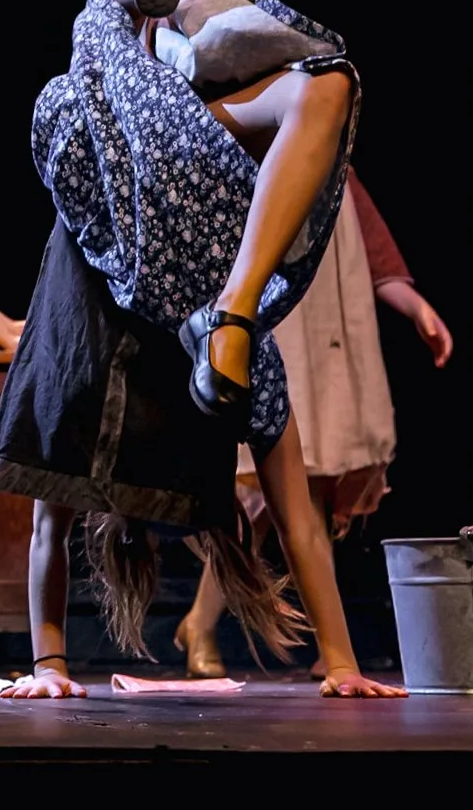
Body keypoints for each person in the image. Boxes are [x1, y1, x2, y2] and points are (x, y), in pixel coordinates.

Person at [0, 0, 404, 701]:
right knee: (325, 89)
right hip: (186, 183)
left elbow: (47, 534)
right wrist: (342, 666)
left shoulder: (103, 380)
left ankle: (160, 1)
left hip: (145, 184)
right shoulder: (235, 382)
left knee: (105, 35)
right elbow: (303, 527)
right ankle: (171, 10)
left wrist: (50, 667)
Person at [174, 171, 452, 677]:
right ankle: (202, 620)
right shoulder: (252, 162)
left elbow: (377, 257)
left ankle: (329, 645)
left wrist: (418, 310)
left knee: (316, 490)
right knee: (263, 498)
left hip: (332, 349)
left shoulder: (338, 171)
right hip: (281, 336)